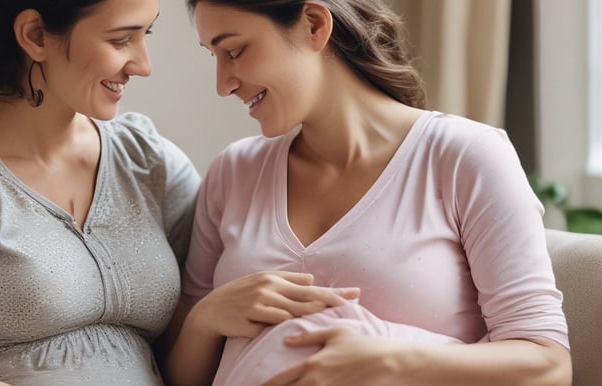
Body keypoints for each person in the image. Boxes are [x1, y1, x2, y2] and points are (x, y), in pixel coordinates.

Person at [163, 1, 572, 385]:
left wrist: (388, 360)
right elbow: (180, 377)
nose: (223, 84)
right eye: (212, 56)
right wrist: (207, 317)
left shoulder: (465, 157)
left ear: (314, 25)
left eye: (233, 51)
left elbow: (548, 364)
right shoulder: (234, 172)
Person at [0, 0, 203, 385]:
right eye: (120, 40)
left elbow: (193, 334)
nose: (143, 65)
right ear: (35, 35)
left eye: (144, 35)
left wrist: (210, 320)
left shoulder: (148, 159)